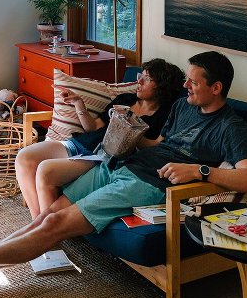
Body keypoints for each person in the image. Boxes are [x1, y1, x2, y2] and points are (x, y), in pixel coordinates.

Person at [0, 51, 247, 292]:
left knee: (53, 225)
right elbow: (160, 144)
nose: (186, 86)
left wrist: (200, 171)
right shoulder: (182, 106)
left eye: (194, 82)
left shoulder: (230, 127)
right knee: (46, 216)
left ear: (216, 88)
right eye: (186, 80)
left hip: (146, 185)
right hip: (119, 164)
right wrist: (125, 133)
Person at [15, 58, 185, 219]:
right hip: (82, 143)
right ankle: (38, 223)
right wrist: (78, 103)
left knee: (45, 169)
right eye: (140, 76)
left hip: (102, 155)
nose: (138, 82)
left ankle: (44, 229)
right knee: (24, 158)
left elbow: (154, 147)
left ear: (161, 86)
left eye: (146, 79)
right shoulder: (125, 99)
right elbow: (93, 127)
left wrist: (128, 130)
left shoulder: (165, 114)